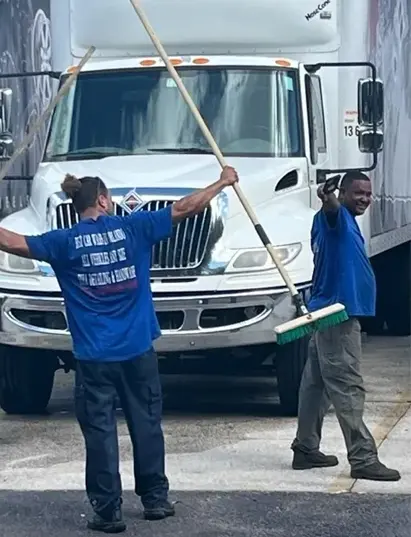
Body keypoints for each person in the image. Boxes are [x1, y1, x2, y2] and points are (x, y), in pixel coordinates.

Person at [0, 165, 239, 533]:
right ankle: (155, 500)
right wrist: (222, 182)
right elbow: (186, 208)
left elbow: (13, 242)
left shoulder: (62, 243)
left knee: (99, 433)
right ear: (102, 200)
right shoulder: (134, 228)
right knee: (146, 425)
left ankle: (108, 512)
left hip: (94, 357)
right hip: (137, 350)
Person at [290, 171, 401, 482]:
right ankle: (363, 457)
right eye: (359, 193)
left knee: (316, 384)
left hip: (327, 312)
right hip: (337, 314)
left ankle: (306, 448)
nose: (365, 198)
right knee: (347, 385)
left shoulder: (346, 222)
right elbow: (331, 209)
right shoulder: (334, 219)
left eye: (369, 193)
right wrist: (329, 197)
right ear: (343, 194)